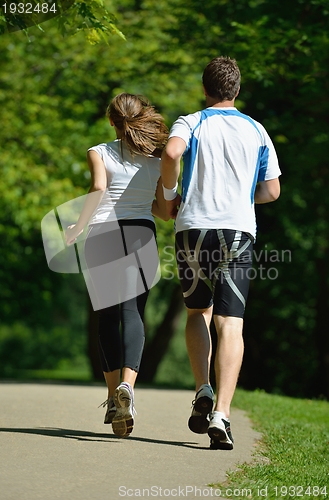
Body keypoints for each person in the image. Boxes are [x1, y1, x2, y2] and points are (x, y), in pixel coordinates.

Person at [161, 56, 281, 450]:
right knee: (231, 324)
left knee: (198, 312)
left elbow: (172, 153)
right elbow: (272, 191)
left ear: (204, 88)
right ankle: (222, 415)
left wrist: (169, 195)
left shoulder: (192, 121)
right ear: (237, 90)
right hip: (238, 232)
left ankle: (203, 389)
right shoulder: (257, 130)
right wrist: (242, 197)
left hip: (193, 228)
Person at [66, 93, 169, 438]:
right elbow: (160, 208)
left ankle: (113, 397)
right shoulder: (156, 159)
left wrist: (77, 226)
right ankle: (128, 387)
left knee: (107, 318)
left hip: (103, 235)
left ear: (111, 120)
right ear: (140, 117)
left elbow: (99, 188)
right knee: (133, 313)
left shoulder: (99, 151)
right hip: (142, 235)